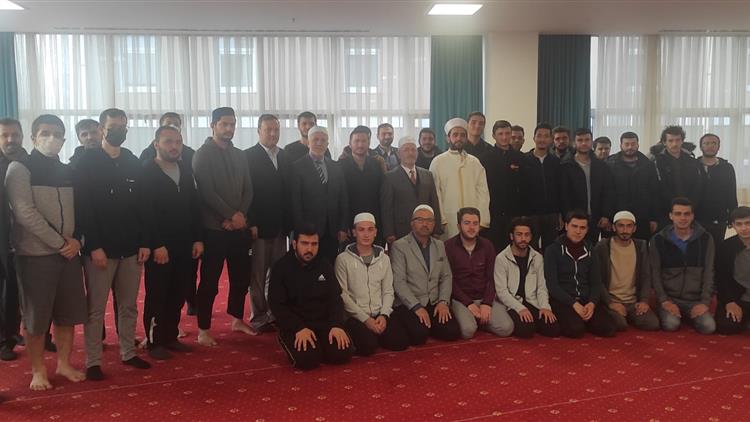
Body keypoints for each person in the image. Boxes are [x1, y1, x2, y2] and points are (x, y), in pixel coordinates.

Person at [5, 114, 87, 390]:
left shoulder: (67, 170)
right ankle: (38, 370)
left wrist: (77, 241)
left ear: (64, 139)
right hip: (35, 255)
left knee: (67, 314)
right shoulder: (19, 168)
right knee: (37, 318)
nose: (52, 138)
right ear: (33, 138)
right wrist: (60, 243)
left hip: (69, 254)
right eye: (45, 133)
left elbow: (81, 209)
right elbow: (25, 212)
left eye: (57, 134)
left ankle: (63, 363)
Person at [75, 108, 152, 380]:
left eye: (123, 126)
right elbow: (83, 209)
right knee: (96, 308)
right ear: (101, 129)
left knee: (129, 305)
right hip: (100, 250)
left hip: (131, 248)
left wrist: (145, 242)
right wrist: (93, 246)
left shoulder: (132, 161)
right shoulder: (86, 162)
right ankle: (93, 361)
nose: (119, 130)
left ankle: (128, 352)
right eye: (113, 126)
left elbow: (143, 206)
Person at [192, 107, 255, 346]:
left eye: (232, 124)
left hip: (239, 228)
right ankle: (203, 329)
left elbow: (249, 189)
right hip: (214, 230)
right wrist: (229, 216)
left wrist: (240, 216)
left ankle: (237, 319)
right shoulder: (202, 155)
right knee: (210, 281)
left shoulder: (240, 155)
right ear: (213, 125)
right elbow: (207, 192)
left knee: (241, 278)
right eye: (224, 124)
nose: (229, 129)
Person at [140, 125, 203, 360]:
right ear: (156, 144)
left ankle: (170, 336)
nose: (174, 146)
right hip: (160, 246)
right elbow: (145, 212)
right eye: (168, 141)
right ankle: (154, 341)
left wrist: (198, 238)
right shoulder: (147, 171)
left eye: (178, 142)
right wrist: (156, 244)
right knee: (158, 293)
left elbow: (195, 206)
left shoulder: (185, 170)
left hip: (185, 243)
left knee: (178, 291)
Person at [269, 223, 353, 370]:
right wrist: (298, 328)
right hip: (295, 325)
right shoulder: (281, 268)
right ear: (294, 244)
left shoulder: (324, 264)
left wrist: (336, 324)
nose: (310, 249)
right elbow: (276, 305)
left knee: (342, 353)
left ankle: (321, 346)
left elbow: (335, 297)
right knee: (308, 360)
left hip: (323, 322)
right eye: (305, 243)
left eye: (314, 244)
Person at [335, 213, 408, 355]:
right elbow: (343, 295)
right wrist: (366, 320)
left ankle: (376, 332)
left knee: (400, 342)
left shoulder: (384, 259)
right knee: (368, 347)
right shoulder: (343, 259)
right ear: (354, 232)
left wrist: (384, 315)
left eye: (370, 229)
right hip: (356, 316)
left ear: (375, 232)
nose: (366, 234)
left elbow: (388, 291)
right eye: (361, 230)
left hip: (379, 313)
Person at [245, 114, 291, 333]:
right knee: (258, 275)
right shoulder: (248, 156)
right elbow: (246, 192)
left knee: (278, 274)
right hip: (259, 228)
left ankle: (275, 312)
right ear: (258, 131)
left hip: (280, 228)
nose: (273, 134)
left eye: (276, 130)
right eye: (268, 130)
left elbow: (288, 192)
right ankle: (259, 316)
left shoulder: (284, 156)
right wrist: (251, 222)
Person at [390, 205, 461, 344]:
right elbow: (399, 282)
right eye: (420, 220)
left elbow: (446, 276)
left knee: (452, 332)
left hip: (434, 301)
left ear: (434, 224)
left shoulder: (439, 245)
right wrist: (416, 307)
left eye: (429, 220)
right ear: (412, 223)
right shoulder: (400, 246)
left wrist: (443, 302)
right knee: (419, 335)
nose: (425, 224)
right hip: (410, 303)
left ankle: (430, 325)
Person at [545, 210, 617, 338]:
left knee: (609, 328)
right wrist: (574, 304)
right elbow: (552, 285)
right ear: (566, 226)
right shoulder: (552, 250)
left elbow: (596, 283)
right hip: (563, 301)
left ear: (587, 230)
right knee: (576, 330)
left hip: (586, 299)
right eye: (574, 226)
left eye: (582, 228)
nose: (578, 231)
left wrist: (592, 303)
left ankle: (586, 319)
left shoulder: (591, 250)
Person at [650, 197, 716, 334]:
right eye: (678, 214)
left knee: (709, 327)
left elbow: (709, 272)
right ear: (671, 216)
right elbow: (655, 273)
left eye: (686, 214)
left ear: (692, 216)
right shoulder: (658, 240)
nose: (682, 218)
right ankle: (672, 314)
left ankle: (688, 315)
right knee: (671, 325)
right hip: (670, 298)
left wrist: (704, 303)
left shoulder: (706, 238)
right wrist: (664, 301)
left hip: (695, 300)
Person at [445, 208, 513, 339]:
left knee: (506, 328)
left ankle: (480, 320)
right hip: (461, 299)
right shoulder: (448, 246)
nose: (471, 227)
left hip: (483, 297)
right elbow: (449, 280)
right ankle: (477, 321)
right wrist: (468, 303)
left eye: (475, 223)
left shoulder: (487, 245)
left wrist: (487, 303)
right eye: (467, 223)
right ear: (458, 226)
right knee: (467, 331)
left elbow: (492, 277)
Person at [591, 211, 660, 331]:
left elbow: (646, 276)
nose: (625, 230)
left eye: (629, 226)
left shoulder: (641, 246)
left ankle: (628, 315)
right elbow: (597, 279)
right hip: (611, 301)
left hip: (633, 302)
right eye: (621, 226)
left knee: (652, 324)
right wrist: (610, 303)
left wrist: (644, 301)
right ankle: (619, 315)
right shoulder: (603, 246)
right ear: (613, 227)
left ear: (634, 228)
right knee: (620, 325)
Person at [290, 126, 349, 264]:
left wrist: (343, 227)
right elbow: (295, 202)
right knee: (308, 267)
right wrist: (300, 230)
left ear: (327, 144)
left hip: (333, 230)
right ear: (308, 142)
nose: (319, 143)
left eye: (323, 140)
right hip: (308, 231)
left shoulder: (336, 166)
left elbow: (343, 198)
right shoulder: (296, 167)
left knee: (330, 266)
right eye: (315, 139)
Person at [495, 217, 559, 338]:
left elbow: (542, 287)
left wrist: (545, 307)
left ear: (531, 237)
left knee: (552, 329)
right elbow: (501, 292)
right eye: (519, 234)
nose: (523, 238)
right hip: (512, 303)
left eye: (527, 235)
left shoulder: (537, 257)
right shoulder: (501, 258)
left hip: (532, 301)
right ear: (511, 236)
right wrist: (520, 308)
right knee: (526, 330)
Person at [429, 118, 490, 240]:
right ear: (448, 138)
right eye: (455, 135)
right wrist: (441, 219)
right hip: (448, 219)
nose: (459, 138)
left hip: (472, 220)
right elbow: (435, 193)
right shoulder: (438, 162)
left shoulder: (474, 162)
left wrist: (482, 219)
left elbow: (483, 192)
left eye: (462, 135)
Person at [381, 136, 442, 245]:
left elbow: (434, 202)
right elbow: (387, 208)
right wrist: (389, 232)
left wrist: (437, 228)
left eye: (413, 150)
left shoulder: (427, 174)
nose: (410, 153)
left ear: (417, 153)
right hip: (401, 231)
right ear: (399, 154)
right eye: (406, 150)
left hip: (425, 229)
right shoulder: (389, 177)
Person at [0, 118, 27, 361]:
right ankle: (3, 341)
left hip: (27, 237)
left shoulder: (30, 162)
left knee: (23, 290)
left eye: (15, 135)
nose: (11, 140)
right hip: (2, 238)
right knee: (4, 290)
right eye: (5, 135)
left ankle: (16, 331)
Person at [559, 128, 614, 242]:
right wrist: (566, 217)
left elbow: (608, 192)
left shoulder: (601, 166)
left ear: (591, 142)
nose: (584, 143)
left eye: (587, 140)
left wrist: (606, 215)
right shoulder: (566, 166)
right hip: (574, 218)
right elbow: (563, 195)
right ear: (574, 142)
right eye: (580, 140)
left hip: (596, 217)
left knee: (592, 247)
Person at [606, 132, 659, 240]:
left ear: (638, 145)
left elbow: (655, 193)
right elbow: (606, 192)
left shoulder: (648, 165)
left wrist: (654, 218)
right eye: (626, 144)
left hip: (642, 217)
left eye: (633, 144)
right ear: (621, 145)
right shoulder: (610, 164)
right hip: (616, 216)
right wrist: (606, 216)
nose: (630, 147)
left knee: (641, 247)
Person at [480, 120, 523, 252]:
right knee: (494, 248)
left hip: (515, 213)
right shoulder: (485, 158)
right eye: (500, 134)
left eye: (507, 133)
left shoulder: (520, 157)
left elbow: (525, 187)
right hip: (493, 213)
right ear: (494, 136)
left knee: (514, 248)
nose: (504, 137)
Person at [519, 123, 561, 251]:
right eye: (539, 136)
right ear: (534, 138)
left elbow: (560, 189)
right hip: (530, 214)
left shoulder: (556, 162)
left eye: (546, 136)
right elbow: (520, 189)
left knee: (551, 248)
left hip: (552, 214)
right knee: (530, 248)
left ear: (551, 139)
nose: (542, 139)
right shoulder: (524, 160)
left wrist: (560, 214)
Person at [652, 125, 704, 228]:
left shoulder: (692, 162)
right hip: (664, 212)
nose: (674, 144)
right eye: (670, 141)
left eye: (677, 140)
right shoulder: (656, 162)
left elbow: (698, 186)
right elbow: (655, 189)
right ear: (664, 142)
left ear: (682, 141)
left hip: (688, 212)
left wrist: (690, 206)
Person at [340, 126, 384, 243]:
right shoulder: (340, 165)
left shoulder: (376, 164)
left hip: (373, 221)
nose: (360, 145)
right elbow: (339, 197)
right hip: (350, 223)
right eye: (356, 141)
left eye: (364, 141)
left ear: (369, 143)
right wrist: (343, 225)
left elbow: (381, 194)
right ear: (350, 144)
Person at [696, 133, 737, 245]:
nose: (710, 146)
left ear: (719, 146)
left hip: (719, 217)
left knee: (717, 247)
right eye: (706, 143)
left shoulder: (727, 167)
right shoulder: (693, 166)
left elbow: (731, 192)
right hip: (696, 217)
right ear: (701, 146)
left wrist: (733, 215)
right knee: (698, 248)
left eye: (714, 143)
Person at [715, 206, 750, 335]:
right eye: (739, 224)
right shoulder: (725, 247)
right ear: (733, 226)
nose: (744, 228)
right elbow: (721, 278)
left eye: (748, 223)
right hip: (737, 297)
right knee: (725, 326)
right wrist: (730, 302)